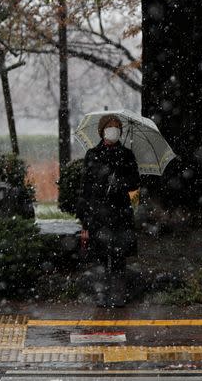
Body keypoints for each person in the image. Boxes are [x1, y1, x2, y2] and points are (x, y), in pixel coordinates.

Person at [77, 114, 140, 307]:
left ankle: (119, 295)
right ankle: (102, 295)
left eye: (117, 127)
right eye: (110, 127)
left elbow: (135, 182)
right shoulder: (92, 155)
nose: (113, 130)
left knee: (119, 257)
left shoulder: (127, 155)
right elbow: (85, 189)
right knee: (101, 257)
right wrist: (85, 222)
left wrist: (119, 182)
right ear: (102, 131)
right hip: (98, 214)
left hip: (120, 213)